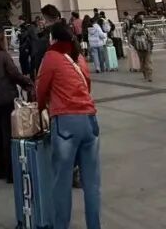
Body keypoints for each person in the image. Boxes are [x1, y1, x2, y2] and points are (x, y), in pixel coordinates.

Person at [35, 22, 100, 229]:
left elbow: (41, 89)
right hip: (90, 121)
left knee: (61, 182)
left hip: (66, 124)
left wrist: (41, 107)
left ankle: (61, 225)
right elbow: (87, 85)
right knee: (92, 183)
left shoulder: (51, 57)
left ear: (53, 39)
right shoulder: (78, 57)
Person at [0, 29, 32, 183]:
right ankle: (11, 173)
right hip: (5, 99)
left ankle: (1, 171)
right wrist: (28, 83)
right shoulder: (4, 56)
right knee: (7, 134)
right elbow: (14, 74)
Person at [30, 5, 61, 76]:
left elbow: (39, 62)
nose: (40, 21)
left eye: (41, 18)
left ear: (45, 18)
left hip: (51, 73)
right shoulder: (67, 32)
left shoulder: (46, 37)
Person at [128, 13, 154, 82]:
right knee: (148, 61)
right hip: (147, 47)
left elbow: (130, 39)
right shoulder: (145, 28)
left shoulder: (133, 29)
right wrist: (151, 45)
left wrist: (135, 45)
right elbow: (150, 37)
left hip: (138, 48)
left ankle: (145, 75)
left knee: (142, 61)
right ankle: (150, 76)